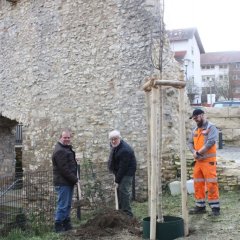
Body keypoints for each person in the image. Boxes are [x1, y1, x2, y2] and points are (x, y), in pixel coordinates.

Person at [188, 109, 220, 216]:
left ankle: (215, 208)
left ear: (202, 115)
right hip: (198, 162)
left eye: (196, 118)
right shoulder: (194, 130)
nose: (195, 120)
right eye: (193, 119)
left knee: (211, 184)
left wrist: (198, 152)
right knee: (198, 184)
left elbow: (211, 142)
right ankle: (200, 206)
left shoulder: (211, 127)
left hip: (209, 162)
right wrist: (194, 152)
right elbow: (190, 142)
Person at [52, 130, 78, 232]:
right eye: (65, 137)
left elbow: (68, 164)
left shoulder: (65, 148)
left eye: (68, 137)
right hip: (62, 182)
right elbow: (64, 170)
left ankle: (66, 223)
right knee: (62, 205)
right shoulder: (59, 150)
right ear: (60, 137)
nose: (67, 139)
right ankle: (58, 226)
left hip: (68, 182)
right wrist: (75, 179)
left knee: (67, 204)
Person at [108, 130, 137, 217]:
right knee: (119, 191)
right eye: (112, 139)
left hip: (127, 173)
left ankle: (128, 214)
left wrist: (117, 180)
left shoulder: (125, 150)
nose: (113, 141)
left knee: (123, 191)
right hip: (119, 172)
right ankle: (121, 212)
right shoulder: (115, 146)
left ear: (119, 138)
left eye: (115, 139)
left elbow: (123, 168)